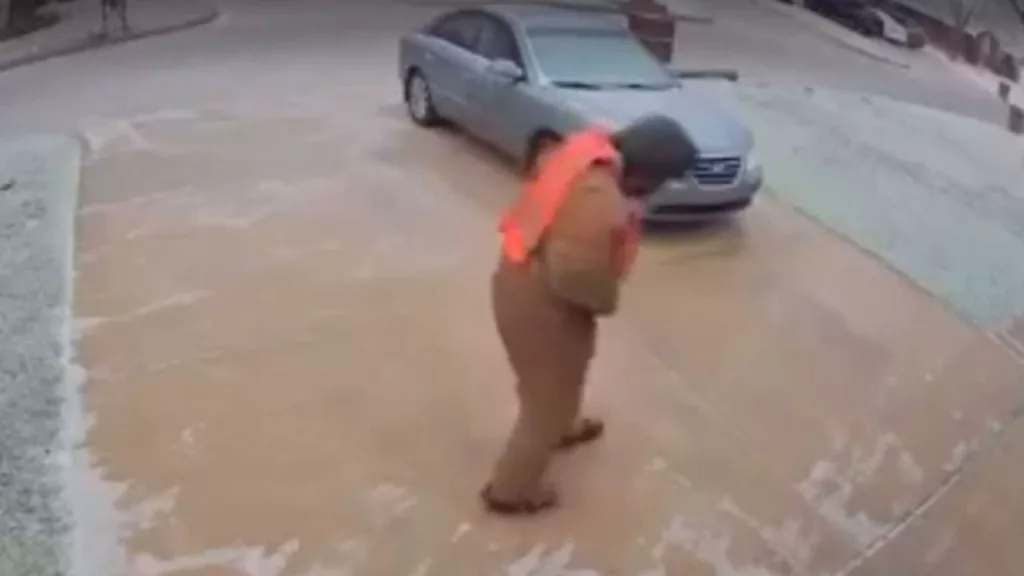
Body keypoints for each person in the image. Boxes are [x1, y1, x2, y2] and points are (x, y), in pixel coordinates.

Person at [481, 115, 698, 515]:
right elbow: (576, 276)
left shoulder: (593, 153)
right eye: (664, 180)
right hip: (536, 299)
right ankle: (510, 491)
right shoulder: (598, 200)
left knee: (573, 363)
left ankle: (566, 427)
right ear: (649, 171)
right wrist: (606, 300)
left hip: (533, 280)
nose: (659, 190)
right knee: (545, 402)